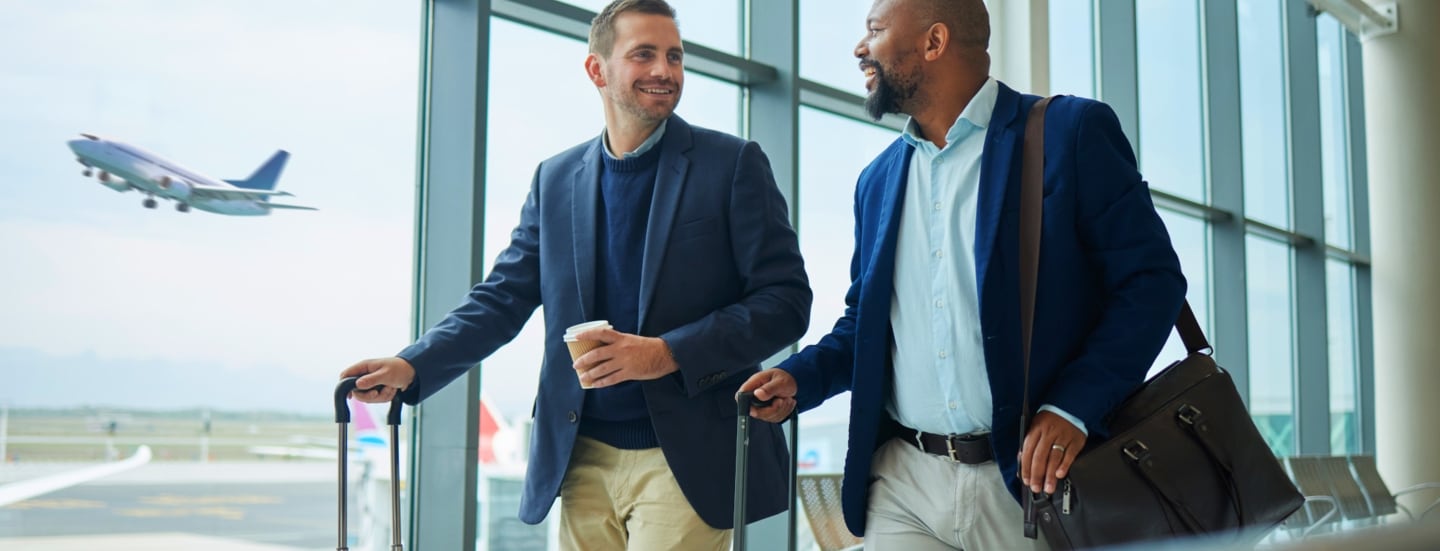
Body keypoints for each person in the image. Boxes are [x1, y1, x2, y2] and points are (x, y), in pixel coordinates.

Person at [341, 1, 811, 549]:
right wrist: (412, 364)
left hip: (686, 457)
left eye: (674, 56)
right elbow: (502, 299)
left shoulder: (731, 165)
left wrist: (666, 352)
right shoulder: (556, 179)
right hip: (579, 454)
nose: (665, 70)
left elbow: (785, 300)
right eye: (644, 54)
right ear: (598, 70)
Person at [739, 0, 1187, 549]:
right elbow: (869, 325)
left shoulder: (1068, 134)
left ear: (934, 42)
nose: (861, 48)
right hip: (904, 482)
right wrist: (801, 379)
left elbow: (1151, 282)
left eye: (874, 31)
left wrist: (1073, 405)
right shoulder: (877, 181)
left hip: (1029, 481)